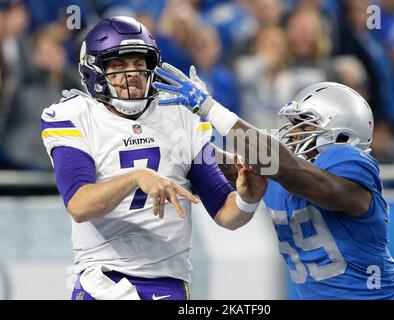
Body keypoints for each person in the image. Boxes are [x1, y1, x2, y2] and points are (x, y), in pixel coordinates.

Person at [151, 62, 394, 300]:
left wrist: (212, 109)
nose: (292, 134)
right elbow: (233, 165)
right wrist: (189, 128)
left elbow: (285, 167)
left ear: (342, 133)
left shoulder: (346, 162)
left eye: (303, 124)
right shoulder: (286, 173)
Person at [40, 16, 267, 300]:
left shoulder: (178, 114)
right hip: (104, 280)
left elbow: (225, 212)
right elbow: (79, 205)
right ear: (94, 71)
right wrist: (137, 177)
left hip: (170, 282)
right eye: (119, 65)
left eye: (139, 63)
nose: (132, 73)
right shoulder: (75, 116)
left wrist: (248, 199)